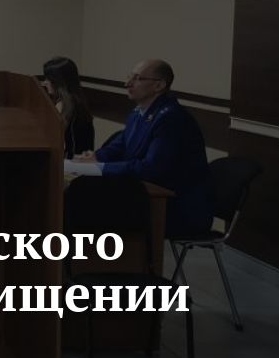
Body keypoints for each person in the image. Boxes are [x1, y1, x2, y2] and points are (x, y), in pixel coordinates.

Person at [76, 59, 213, 237]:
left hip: (177, 206)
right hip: (147, 195)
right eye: (129, 77)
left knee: (91, 205)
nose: (127, 83)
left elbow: (151, 168)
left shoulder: (171, 118)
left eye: (137, 78)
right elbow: (120, 145)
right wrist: (95, 157)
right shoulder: (138, 112)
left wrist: (100, 168)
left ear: (159, 85)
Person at [41, 56, 94, 158]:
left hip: (73, 163)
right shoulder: (73, 102)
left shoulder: (69, 107)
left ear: (59, 81)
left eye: (48, 79)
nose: (45, 82)